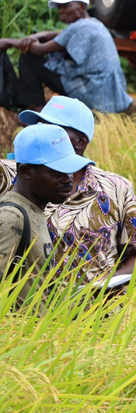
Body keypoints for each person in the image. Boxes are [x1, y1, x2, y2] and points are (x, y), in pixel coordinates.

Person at [4, 97, 136, 282]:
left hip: (99, 307)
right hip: (32, 307)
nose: (42, 133)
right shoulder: (14, 175)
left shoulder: (116, 188)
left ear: (81, 142)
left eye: (54, 129)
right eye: (40, 125)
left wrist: (106, 285)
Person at [0, 125, 93, 308]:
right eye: (55, 172)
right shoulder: (12, 217)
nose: (68, 178)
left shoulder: (34, 210)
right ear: (26, 171)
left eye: (69, 170)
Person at [0, 0, 131, 113]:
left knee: (28, 58)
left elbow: (38, 50)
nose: (61, 11)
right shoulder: (94, 24)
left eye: (66, 6)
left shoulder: (79, 28)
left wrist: (9, 42)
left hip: (91, 92)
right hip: (107, 92)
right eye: (59, 7)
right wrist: (33, 36)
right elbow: (54, 34)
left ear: (82, 7)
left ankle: (38, 111)